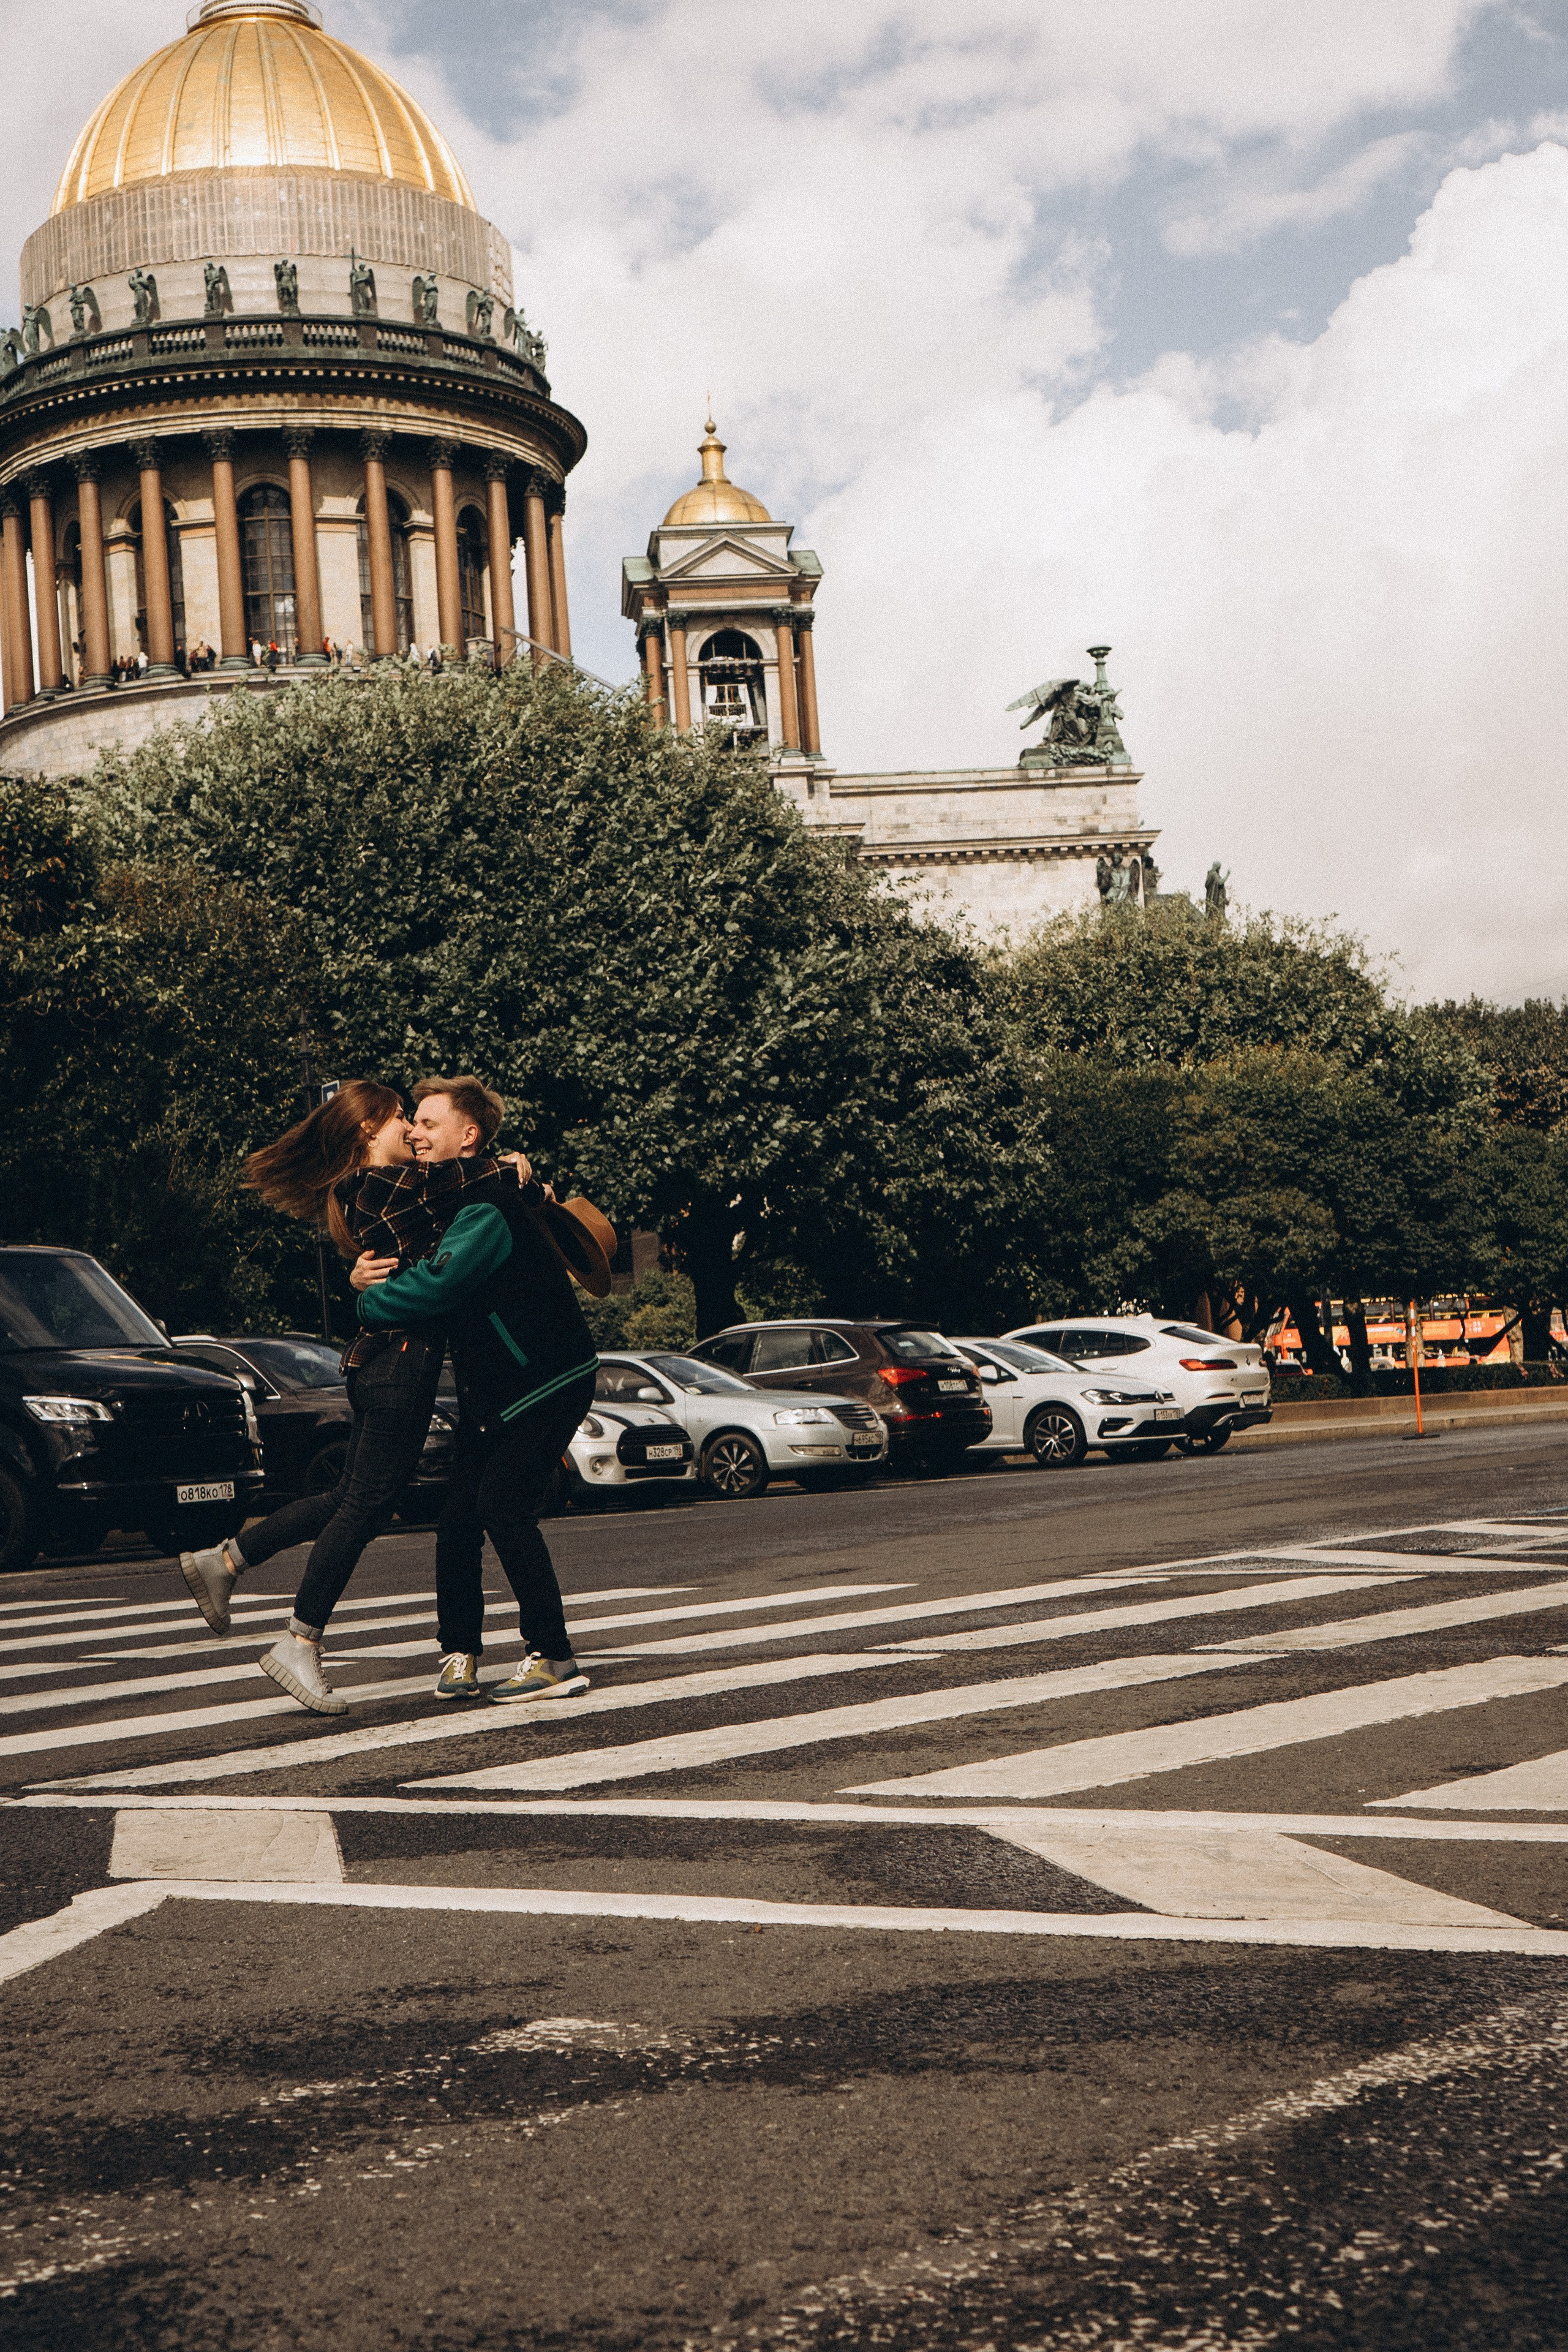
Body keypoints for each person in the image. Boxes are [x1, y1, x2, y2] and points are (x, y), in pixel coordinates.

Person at [178, 1081, 524, 1712]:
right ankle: (299, 1641)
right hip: (397, 1365)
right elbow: (452, 1185)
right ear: (368, 1129)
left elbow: (448, 1204)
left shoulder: (379, 1193)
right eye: (402, 1122)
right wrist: (508, 1168)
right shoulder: (382, 1188)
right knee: (367, 1505)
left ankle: (226, 1561)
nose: (414, 1135)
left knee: (347, 1496)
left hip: (382, 1366)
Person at [353, 1076, 608, 1705]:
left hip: (543, 1379)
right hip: (500, 1389)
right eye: (411, 1122)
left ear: (468, 1137)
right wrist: (361, 1268)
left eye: (429, 1124)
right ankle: (459, 1653)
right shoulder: (451, 1199)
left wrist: (368, 1299)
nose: (414, 1131)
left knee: (501, 1505)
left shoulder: (484, 1207)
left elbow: (434, 1288)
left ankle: (552, 1654)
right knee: (457, 1517)